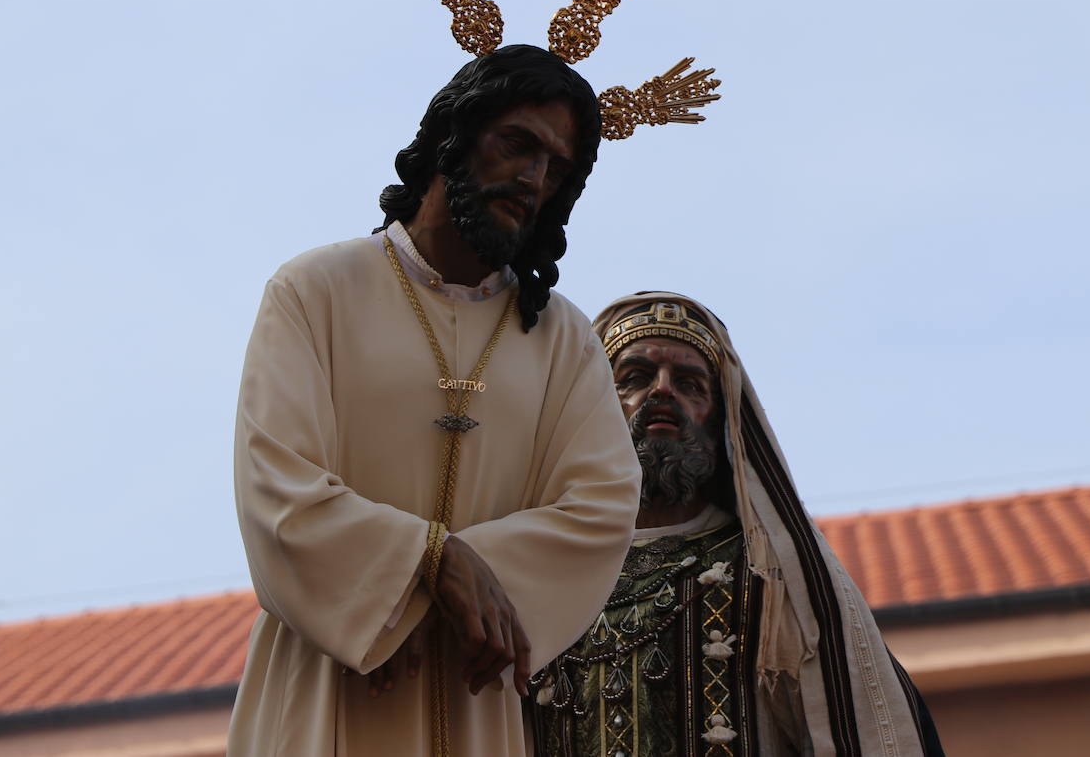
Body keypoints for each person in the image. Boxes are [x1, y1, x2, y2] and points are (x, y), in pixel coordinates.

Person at [227, 45, 644, 756]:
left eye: (557, 167)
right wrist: (428, 565)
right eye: (518, 144)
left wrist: (445, 587)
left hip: (472, 686)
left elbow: (601, 507)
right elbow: (276, 484)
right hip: (325, 683)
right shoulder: (316, 292)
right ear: (456, 132)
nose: (534, 179)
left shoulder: (563, 340)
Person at [528, 293, 944, 757]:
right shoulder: (545, 571)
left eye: (690, 384)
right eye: (635, 378)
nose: (663, 391)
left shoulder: (770, 574)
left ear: (721, 421)